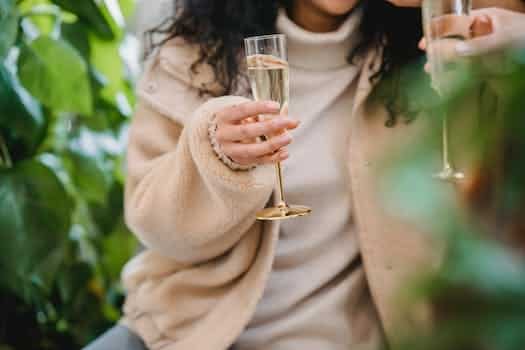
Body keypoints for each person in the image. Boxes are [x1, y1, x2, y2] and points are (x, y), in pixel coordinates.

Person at [84, 1, 525, 350]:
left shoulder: (422, 61)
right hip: (190, 334)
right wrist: (212, 154)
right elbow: (157, 227)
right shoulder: (193, 53)